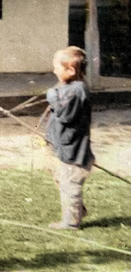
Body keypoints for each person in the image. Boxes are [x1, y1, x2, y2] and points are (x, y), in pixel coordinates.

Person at [45, 46, 94, 230]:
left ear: (71, 70)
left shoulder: (76, 90)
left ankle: (71, 222)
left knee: (70, 186)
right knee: (62, 181)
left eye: (57, 67)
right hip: (66, 149)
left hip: (74, 153)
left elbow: (64, 115)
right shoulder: (71, 87)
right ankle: (77, 211)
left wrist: (52, 97)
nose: (54, 70)